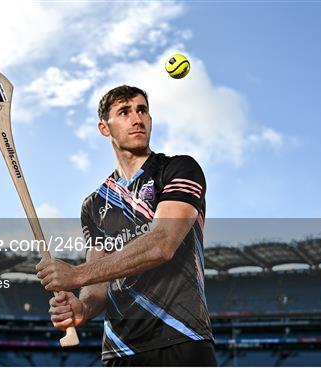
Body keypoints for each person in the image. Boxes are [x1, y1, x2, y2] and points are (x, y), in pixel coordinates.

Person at [36, 85, 216, 366]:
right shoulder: (94, 204)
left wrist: (77, 274)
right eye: (124, 112)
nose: (137, 119)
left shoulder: (178, 169)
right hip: (120, 351)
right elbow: (98, 284)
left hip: (182, 339)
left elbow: (162, 243)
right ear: (104, 128)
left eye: (142, 110)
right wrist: (82, 307)